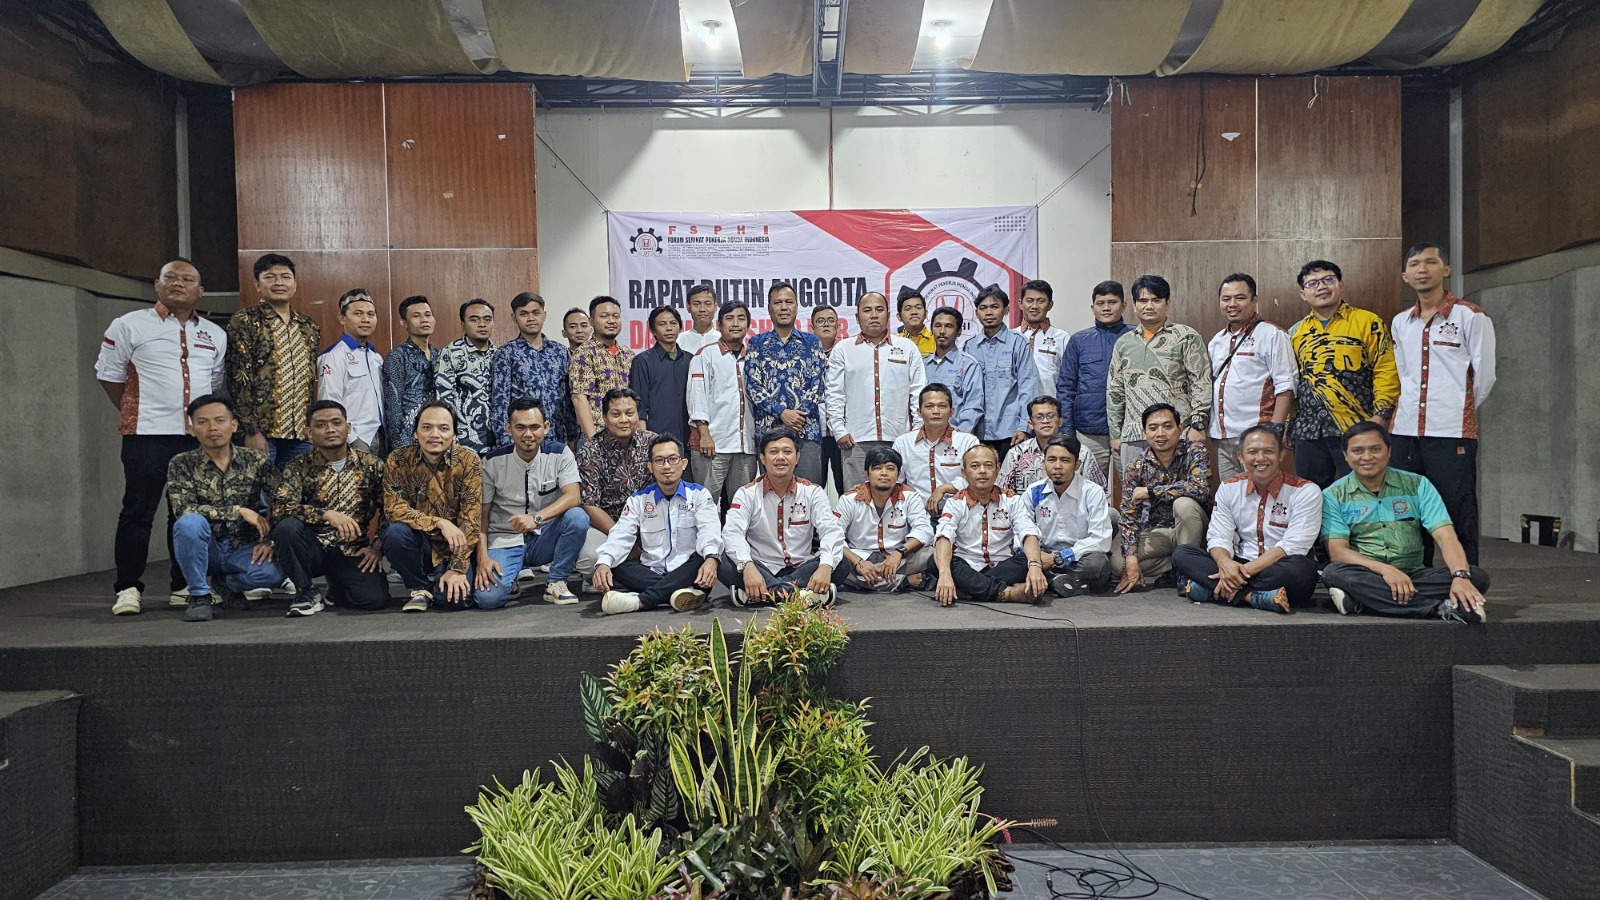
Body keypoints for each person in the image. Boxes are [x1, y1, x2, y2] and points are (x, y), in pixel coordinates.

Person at [97, 258, 228, 615]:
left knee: (185, 514)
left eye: (188, 279)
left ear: (200, 291)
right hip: (147, 435)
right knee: (138, 511)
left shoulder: (215, 334)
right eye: (170, 277)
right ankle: (127, 588)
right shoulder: (129, 324)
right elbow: (109, 375)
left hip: (194, 439)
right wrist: (134, 410)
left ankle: (183, 585)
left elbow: (214, 384)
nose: (178, 283)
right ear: (157, 285)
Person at [1391, 243, 1496, 565]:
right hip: (1406, 431)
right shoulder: (1400, 322)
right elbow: (1403, 375)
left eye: (1431, 262)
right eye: (1414, 264)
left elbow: (1485, 376)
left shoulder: (1470, 316)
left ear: (1446, 270)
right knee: (1408, 510)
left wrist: (1456, 410)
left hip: (1450, 431)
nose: (1422, 269)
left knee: (1456, 508)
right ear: (1405, 276)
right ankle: (1417, 575)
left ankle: (1465, 577)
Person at [1321, 422, 1489, 623]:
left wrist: (1460, 576)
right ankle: (1437, 608)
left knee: (1477, 577)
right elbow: (1338, 552)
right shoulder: (1333, 495)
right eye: (1357, 451)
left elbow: (1445, 536)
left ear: (1389, 452)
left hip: (1415, 574)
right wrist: (1386, 570)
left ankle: (1362, 600)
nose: (1367, 457)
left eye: (1375, 449)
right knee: (1334, 573)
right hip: (1368, 574)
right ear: (1346, 456)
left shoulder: (1418, 484)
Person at [1172, 426, 1321, 613]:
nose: (1260, 458)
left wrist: (1239, 574)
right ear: (1240, 457)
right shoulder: (1229, 487)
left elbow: (1293, 546)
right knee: (1182, 554)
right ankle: (1253, 597)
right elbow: (1219, 536)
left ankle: (1215, 590)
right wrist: (1225, 565)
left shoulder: (1305, 491)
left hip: (1279, 566)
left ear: (1281, 454)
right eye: (1252, 452)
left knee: (1302, 569)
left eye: (1268, 451)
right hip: (1239, 563)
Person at [166, 395, 285, 622]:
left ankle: (227, 584)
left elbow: (283, 499)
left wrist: (270, 540)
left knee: (273, 574)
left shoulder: (255, 460)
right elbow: (183, 508)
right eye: (203, 422)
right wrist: (238, 511)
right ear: (192, 429)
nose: (212, 428)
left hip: (244, 546)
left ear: (234, 425)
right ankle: (199, 595)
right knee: (188, 523)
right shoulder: (181, 463)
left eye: (220, 420)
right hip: (206, 547)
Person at [269, 400, 389, 617]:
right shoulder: (297, 466)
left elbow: (391, 509)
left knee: (373, 600)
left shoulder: (372, 465)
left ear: (348, 427)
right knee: (287, 528)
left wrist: (377, 546)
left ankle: (338, 586)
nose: (330, 429)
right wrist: (326, 515)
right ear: (309, 432)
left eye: (336, 423)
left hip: (353, 548)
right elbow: (281, 507)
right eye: (321, 425)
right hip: (312, 547)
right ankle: (305, 591)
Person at [1287, 260, 1398, 488]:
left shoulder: (1368, 322)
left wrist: (1380, 417)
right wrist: (1290, 422)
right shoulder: (1295, 332)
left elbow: (1385, 369)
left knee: (1364, 490)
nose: (1321, 287)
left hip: (1357, 427)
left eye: (1328, 280)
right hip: (1308, 431)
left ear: (1341, 284)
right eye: (1313, 283)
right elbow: (1291, 381)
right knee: (1310, 495)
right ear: (1303, 294)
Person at [473, 398, 589, 608]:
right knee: (488, 599)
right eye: (520, 427)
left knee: (578, 517)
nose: (528, 434)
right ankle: (511, 576)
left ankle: (556, 581)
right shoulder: (492, 461)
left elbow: (573, 496)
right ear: (509, 429)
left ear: (546, 427)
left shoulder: (560, 453)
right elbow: (482, 516)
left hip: (544, 536)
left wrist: (536, 518)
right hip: (504, 540)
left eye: (535, 427)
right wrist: (483, 557)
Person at [594, 434, 721, 615]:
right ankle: (680, 593)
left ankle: (640, 601)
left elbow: (709, 531)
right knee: (615, 563)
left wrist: (711, 558)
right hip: (652, 572)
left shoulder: (699, 495)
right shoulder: (638, 500)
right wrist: (603, 563)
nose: (666, 466)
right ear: (650, 467)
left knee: (707, 556)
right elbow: (621, 534)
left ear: (683, 463)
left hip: (689, 572)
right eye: (659, 461)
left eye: (672, 459)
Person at [720, 427, 845, 606]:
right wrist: (747, 566)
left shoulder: (813, 492)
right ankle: (803, 595)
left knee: (841, 564)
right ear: (763, 458)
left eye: (787, 451)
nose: (780, 457)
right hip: (761, 568)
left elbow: (831, 530)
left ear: (797, 457)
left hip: (801, 567)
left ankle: (760, 594)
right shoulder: (746, 493)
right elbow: (733, 533)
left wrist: (825, 565)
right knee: (724, 562)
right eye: (773, 452)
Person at [382, 401, 483, 612]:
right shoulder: (397, 460)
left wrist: (457, 569)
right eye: (427, 427)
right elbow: (394, 509)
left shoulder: (468, 460)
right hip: (419, 544)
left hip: (455, 546)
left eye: (443, 428)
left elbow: (471, 520)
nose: (434, 434)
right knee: (395, 533)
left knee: (455, 601)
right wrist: (440, 523)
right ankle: (419, 588)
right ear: (416, 432)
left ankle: (441, 584)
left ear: (454, 434)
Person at [1106, 274, 1213, 471]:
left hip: (1177, 434)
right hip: (1134, 435)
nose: (1149, 306)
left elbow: (1201, 382)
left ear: (1168, 303)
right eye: (1143, 301)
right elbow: (1115, 390)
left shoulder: (1186, 336)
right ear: (1134, 305)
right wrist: (1115, 434)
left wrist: (1198, 424)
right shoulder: (1123, 343)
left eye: (1156, 300)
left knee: (1178, 489)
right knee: (1135, 489)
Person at [826, 291, 928, 488]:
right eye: (867, 310)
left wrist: (916, 431)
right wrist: (838, 429)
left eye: (879, 310)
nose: (873, 315)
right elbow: (834, 393)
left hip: (899, 439)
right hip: (855, 440)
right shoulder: (843, 349)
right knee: (856, 499)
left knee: (897, 499)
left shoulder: (907, 347)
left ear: (888, 315)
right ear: (857, 317)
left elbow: (918, 392)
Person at [228, 253, 320, 467]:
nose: (279, 282)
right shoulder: (244, 321)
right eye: (270, 277)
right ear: (257, 285)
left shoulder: (308, 327)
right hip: (261, 433)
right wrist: (251, 430)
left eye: (285, 277)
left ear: (295, 285)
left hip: (300, 433)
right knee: (259, 487)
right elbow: (238, 380)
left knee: (295, 486)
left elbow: (309, 381)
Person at [931, 444, 1048, 605]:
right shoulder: (955, 503)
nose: (982, 471)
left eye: (988, 465)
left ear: (997, 470)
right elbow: (944, 536)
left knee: (1031, 559)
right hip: (967, 565)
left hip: (1002, 566)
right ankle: (1008, 593)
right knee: (936, 561)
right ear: (964, 473)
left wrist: (1035, 566)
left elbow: (1028, 531)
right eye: (975, 466)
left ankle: (969, 589)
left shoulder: (1012, 500)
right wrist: (945, 575)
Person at [1112, 403, 1211, 593]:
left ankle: (1187, 572)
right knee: (1118, 565)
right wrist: (1131, 558)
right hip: (1163, 531)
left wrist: (1151, 491)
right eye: (1153, 428)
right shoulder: (1136, 466)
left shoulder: (1195, 452)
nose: (1160, 433)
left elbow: (1201, 489)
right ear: (1144, 432)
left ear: (1179, 428)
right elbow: (1128, 515)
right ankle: (1179, 566)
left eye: (1167, 426)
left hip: (1196, 529)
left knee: (1183, 504)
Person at [1207, 274, 1295, 481]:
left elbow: (1286, 385)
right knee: (1231, 493)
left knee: (1260, 492)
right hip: (1222, 436)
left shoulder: (1272, 334)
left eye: (1240, 298)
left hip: (1257, 436)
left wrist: (1275, 429)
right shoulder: (1217, 341)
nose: (1232, 304)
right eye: (1226, 299)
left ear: (1254, 300)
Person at [746, 281, 828, 484]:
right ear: (769, 308)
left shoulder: (812, 342)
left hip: (806, 430)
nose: (783, 307)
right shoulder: (756, 343)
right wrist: (782, 413)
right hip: (769, 433)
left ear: (797, 307)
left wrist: (796, 417)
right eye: (778, 302)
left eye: (789, 302)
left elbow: (818, 385)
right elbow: (753, 386)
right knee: (772, 494)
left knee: (809, 492)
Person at [576, 388, 657, 583]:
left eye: (629, 413)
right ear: (604, 417)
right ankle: (601, 578)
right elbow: (589, 504)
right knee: (591, 557)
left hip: (647, 521)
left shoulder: (652, 442)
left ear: (637, 415)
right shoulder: (590, 450)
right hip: (607, 526)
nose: (623, 420)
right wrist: (623, 538)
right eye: (616, 414)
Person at [1058, 281, 1132, 477]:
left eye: (1112, 302)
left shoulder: (1135, 337)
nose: (1106, 308)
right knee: (1088, 487)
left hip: (1128, 430)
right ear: (1093, 308)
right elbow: (1066, 387)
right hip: (1088, 431)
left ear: (1124, 305)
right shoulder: (1078, 340)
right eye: (1100, 303)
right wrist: (1067, 431)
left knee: (1134, 485)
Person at [687, 302, 758, 508]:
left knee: (741, 507)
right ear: (719, 325)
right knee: (705, 505)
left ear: (748, 325)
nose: (735, 323)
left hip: (746, 446)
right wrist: (704, 434)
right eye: (729, 318)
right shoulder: (705, 354)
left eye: (741, 319)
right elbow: (697, 396)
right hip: (713, 445)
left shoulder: (753, 357)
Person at [834, 447, 934, 592]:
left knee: (932, 554)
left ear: (898, 474)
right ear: (867, 473)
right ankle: (901, 582)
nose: (884, 473)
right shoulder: (849, 499)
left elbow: (924, 530)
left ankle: (865, 583)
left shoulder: (910, 496)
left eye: (890, 468)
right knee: (826, 558)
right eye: (877, 468)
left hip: (898, 559)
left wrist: (899, 553)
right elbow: (834, 536)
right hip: (859, 559)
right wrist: (858, 562)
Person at [1025, 434, 1113, 596]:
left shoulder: (1091, 492)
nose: (1057, 466)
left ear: (1077, 465)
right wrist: (1036, 558)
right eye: (1052, 460)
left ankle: (1050, 580)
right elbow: (1022, 529)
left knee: (1098, 564)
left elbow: (1100, 540)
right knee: (1016, 560)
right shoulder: (1034, 492)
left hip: (1077, 557)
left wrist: (1058, 558)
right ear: (1043, 463)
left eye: (1065, 460)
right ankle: (1067, 582)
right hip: (1041, 555)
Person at [491, 292, 573, 448]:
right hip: (523, 439)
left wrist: (572, 436)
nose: (530, 318)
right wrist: (505, 443)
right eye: (524, 314)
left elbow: (568, 400)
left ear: (544, 315)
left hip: (557, 437)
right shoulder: (506, 353)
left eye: (536, 313)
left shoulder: (561, 352)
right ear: (514, 318)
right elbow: (500, 402)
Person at [963, 286, 1033, 462]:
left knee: (1010, 477)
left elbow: (1028, 386)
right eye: (983, 308)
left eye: (994, 307)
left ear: (1006, 310)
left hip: (1011, 431)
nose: (989, 312)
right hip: (977, 430)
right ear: (976, 313)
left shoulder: (1018, 343)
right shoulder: (969, 346)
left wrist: (1024, 426)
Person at [892, 384, 982, 513]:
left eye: (942, 406)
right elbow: (895, 482)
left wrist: (945, 488)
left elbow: (977, 477)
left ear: (952, 411)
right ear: (919, 412)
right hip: (915, 515)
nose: (936, 411)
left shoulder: (968, 441)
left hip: (960, 514)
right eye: (929, 406)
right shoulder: (903, 443)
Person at [316, 289, 385, 453]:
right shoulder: (333, 356)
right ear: (342, 318)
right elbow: (328, 404)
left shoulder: (376, 358)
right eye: (358, 314)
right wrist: (352, 439)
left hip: (381, 437)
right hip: (355, 439)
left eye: (370, 314)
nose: (365, 319)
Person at [998, 395, 1107, 494]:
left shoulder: (1081, 453)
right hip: (1027, 509)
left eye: (1050, 416)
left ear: (1060, 421)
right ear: (1030, 424)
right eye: (1039, 417)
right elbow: (1002, 492)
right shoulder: (1016, 454)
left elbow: (1100, 492)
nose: (1045, 421)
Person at [434, 298, 498, 454]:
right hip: (464, 441)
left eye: (487, 319)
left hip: (497, 441)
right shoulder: (451, 353)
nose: (482, 324)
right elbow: (443, 400)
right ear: (463, 325)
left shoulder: (499, 354)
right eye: (474, 320)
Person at [570, 295, 634, 441]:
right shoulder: (584, 353)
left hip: (626, 436)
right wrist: (593, 441)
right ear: (591, 321)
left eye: (616, 316)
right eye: (604, 316)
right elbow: (579, 399)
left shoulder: (628, 354)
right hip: (598, 436)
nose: (611, 321)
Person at [382, 295, 441, 452]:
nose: (424, 320)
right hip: (409, 442)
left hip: (438, 438)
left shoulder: (441, 356)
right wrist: (403, 447)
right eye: (416, 316)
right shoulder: (396, 357)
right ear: (404, 322)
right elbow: (393, 407)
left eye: (428, 315)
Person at [630, 306, 693, 445]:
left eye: (673, 323)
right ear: (652, 330)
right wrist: (643, 441)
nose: (669, 328)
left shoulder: (691, 360)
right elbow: (639, 406)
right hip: (657, 441)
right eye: (662, 324)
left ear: (680, 327)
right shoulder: (642, 361)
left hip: (689, 440)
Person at [922, 306, 984, 434]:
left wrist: (959, 435)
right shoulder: (922, 365)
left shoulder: (968, 364)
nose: (942, 331)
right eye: (937, 325)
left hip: (957, 436)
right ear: (931, 330)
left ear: (959, 331)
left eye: (949, 326)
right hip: (926, 436)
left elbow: (973, 405)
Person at [811, 305, 847, 493]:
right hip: (814, 434)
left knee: (846, 487)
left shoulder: (848, 353)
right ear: (812, 328)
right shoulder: (805, 355)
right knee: (814, 488)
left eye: (830, 321)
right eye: (820, 321)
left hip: (843, 433)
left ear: (838, 327)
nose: (826, 324)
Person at [1018, 279, 1070, 397]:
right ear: (1020, 304)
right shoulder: (1012, 336)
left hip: (1050, 406)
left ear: (1050, 305)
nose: (1034, 306)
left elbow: (1068, 379)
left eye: (1041, 301)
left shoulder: (1062, 337)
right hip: (1017, 407)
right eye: (1029, 301)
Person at [676, 283, 721, 354]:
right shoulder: (678, 341)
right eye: (696, 304)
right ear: (688, 307)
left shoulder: (724, 340)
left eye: (708, 304)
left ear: (715, 307)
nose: (702, 309)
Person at [895, 287, 935, 354]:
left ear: (925, 314)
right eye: (908, 309)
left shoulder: (937, 340)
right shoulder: (894, 343)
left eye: (918, 308)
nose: (914, 312)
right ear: (899, 317)